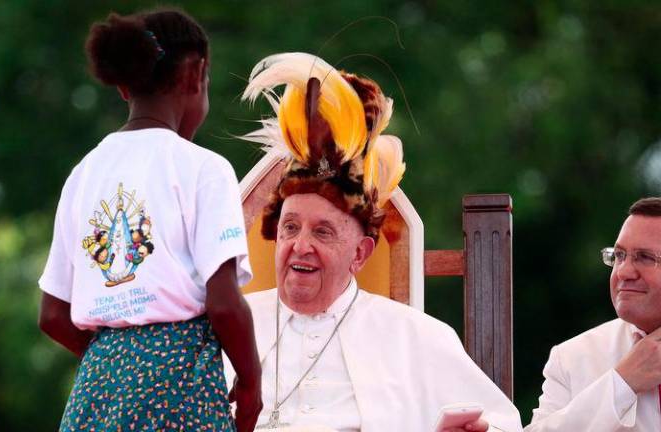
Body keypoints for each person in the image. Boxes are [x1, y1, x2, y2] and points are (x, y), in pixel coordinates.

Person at [227, 52, 522, 432]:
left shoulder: (416, 336)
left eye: (322, 232)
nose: (300, 246)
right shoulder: (224, 327)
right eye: (290, 227)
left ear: (361, 253)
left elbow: (501, 424)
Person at [37, 8, 261, 432]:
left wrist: (119, 359)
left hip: (96, 389)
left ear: (123, 88)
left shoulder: (82, 173)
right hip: (179, 385)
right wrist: (250, 383)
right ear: (196, 75)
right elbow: (224, 303)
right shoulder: (204, 168)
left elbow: (51, 314)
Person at [525, 197, 661, 431]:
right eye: (619, 256)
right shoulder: (571, 359)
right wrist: (621, 384)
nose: (624, 272)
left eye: (645, 257)